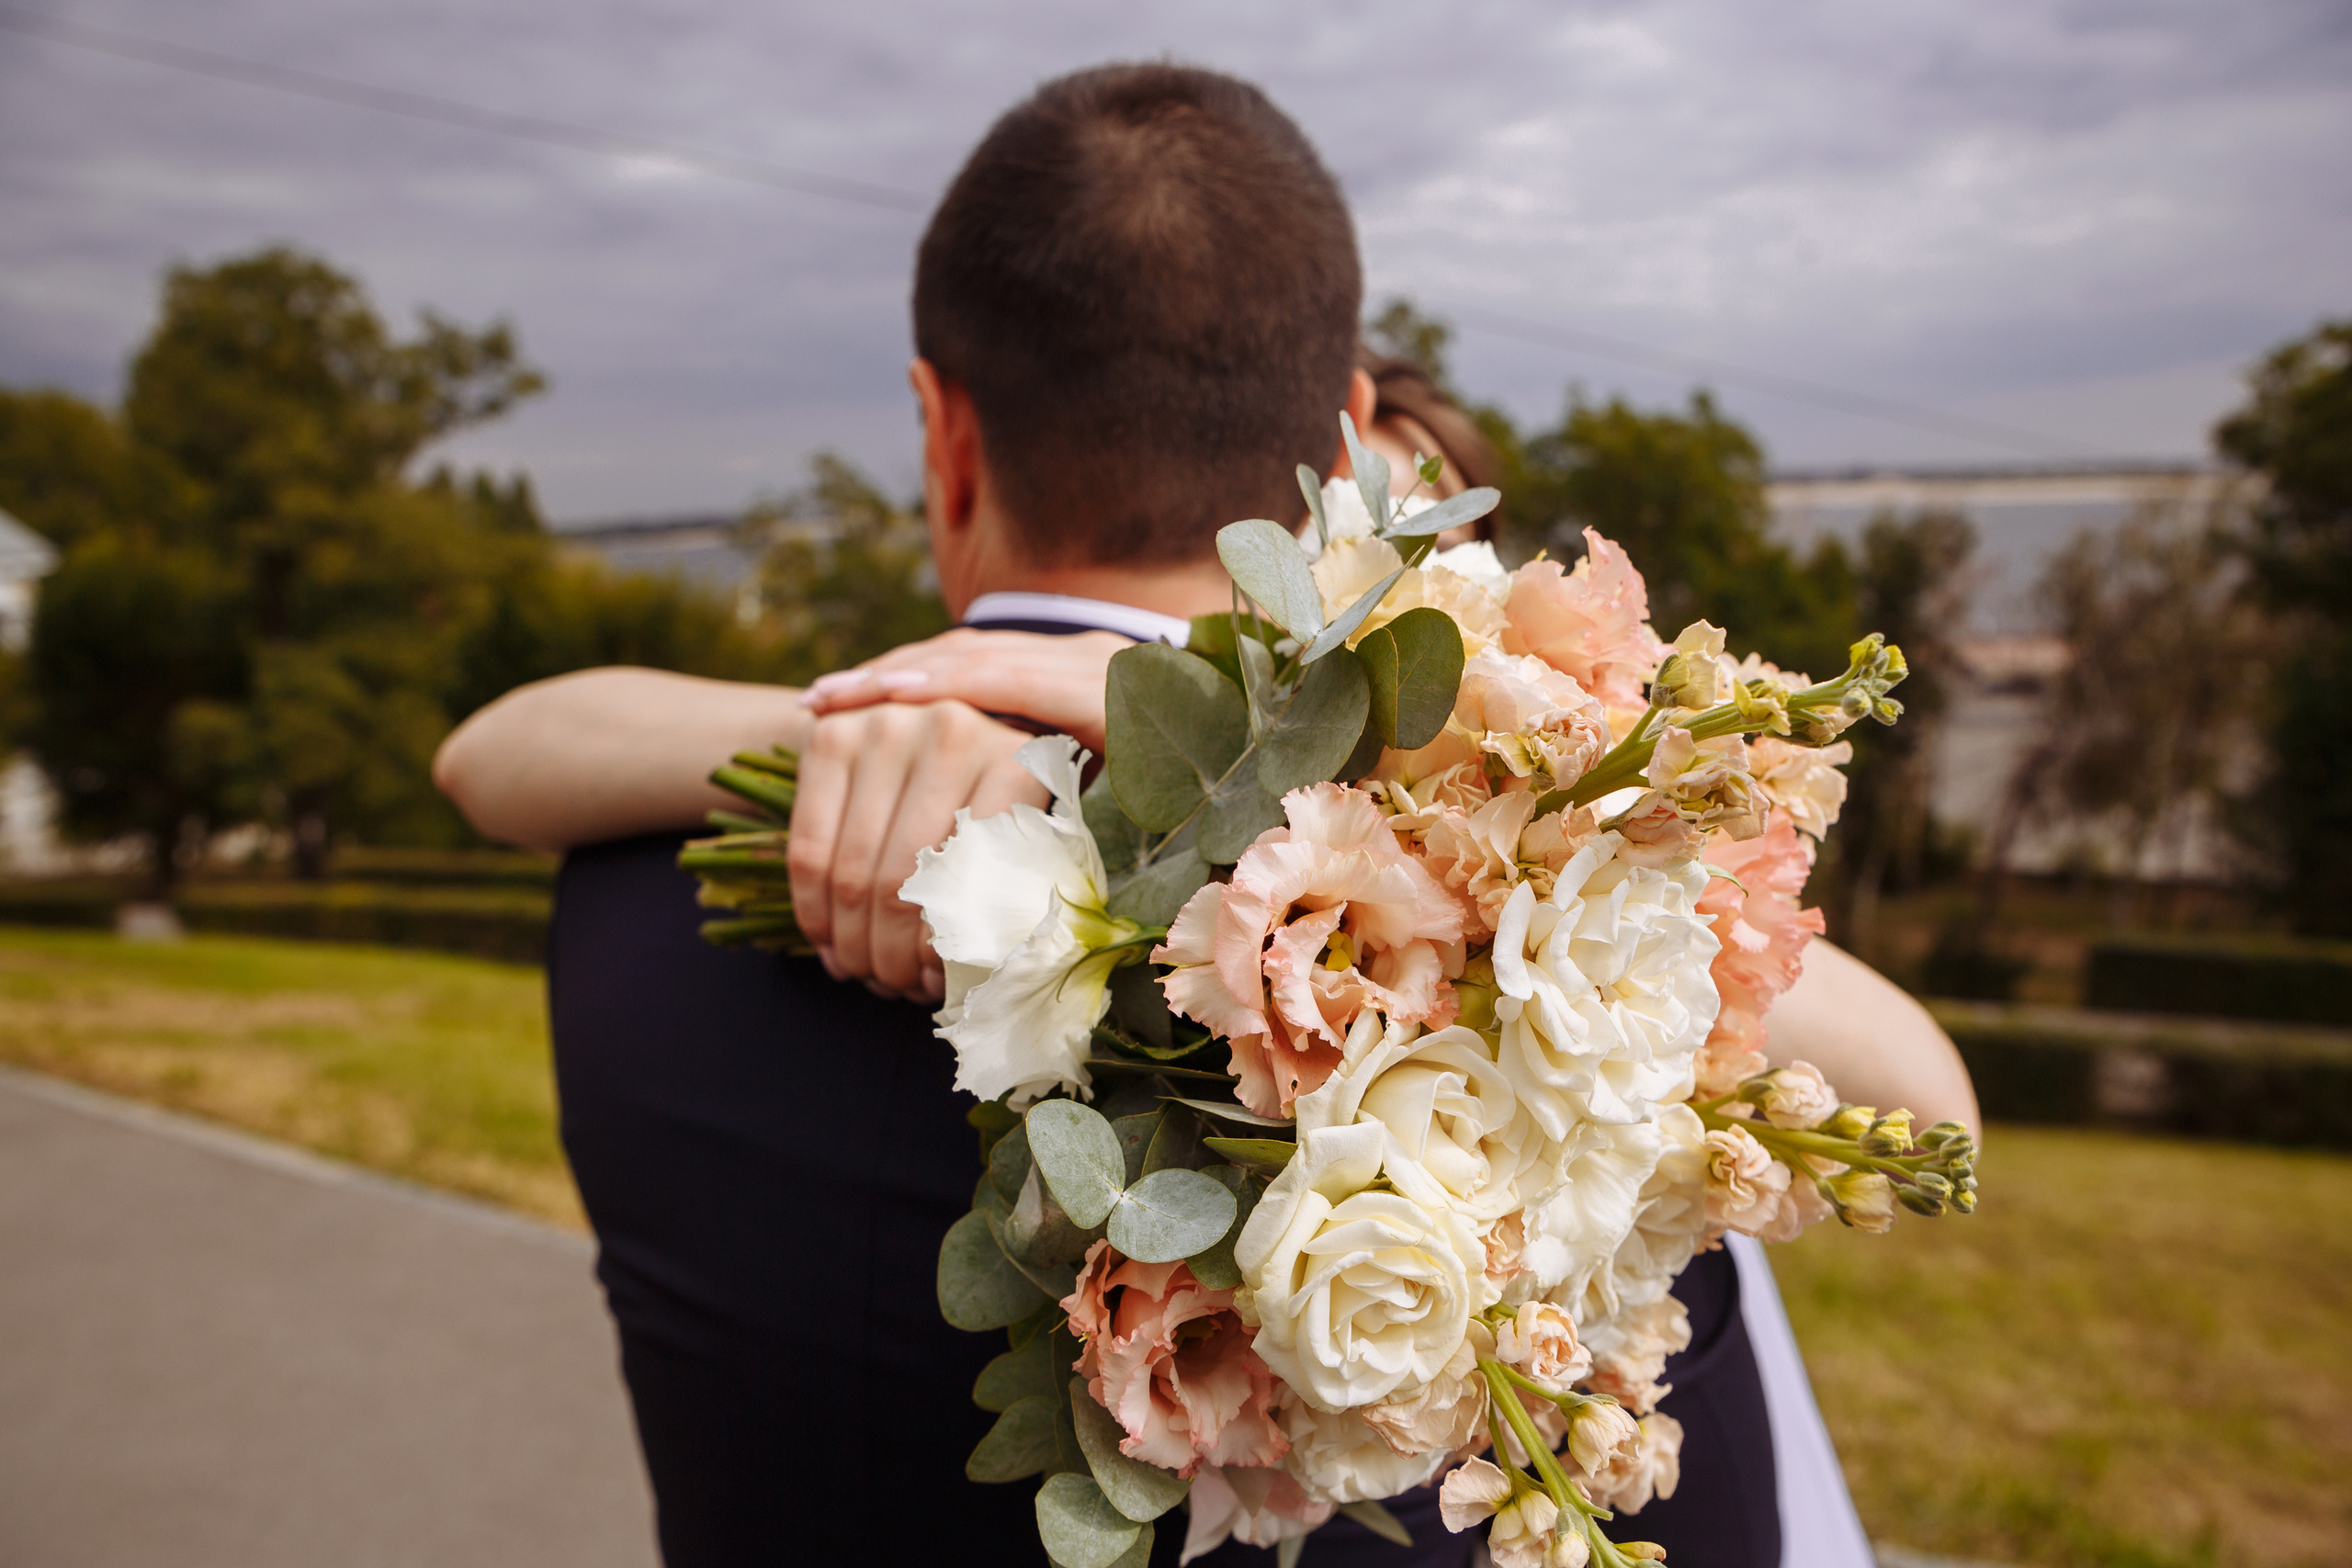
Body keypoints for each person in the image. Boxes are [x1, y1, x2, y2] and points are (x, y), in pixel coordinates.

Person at [438, 62, 1474, 1568]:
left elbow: (485, 754)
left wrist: (878, 713)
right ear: (1348, 445)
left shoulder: (633, 894)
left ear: (945, 431)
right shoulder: (1520, 996)